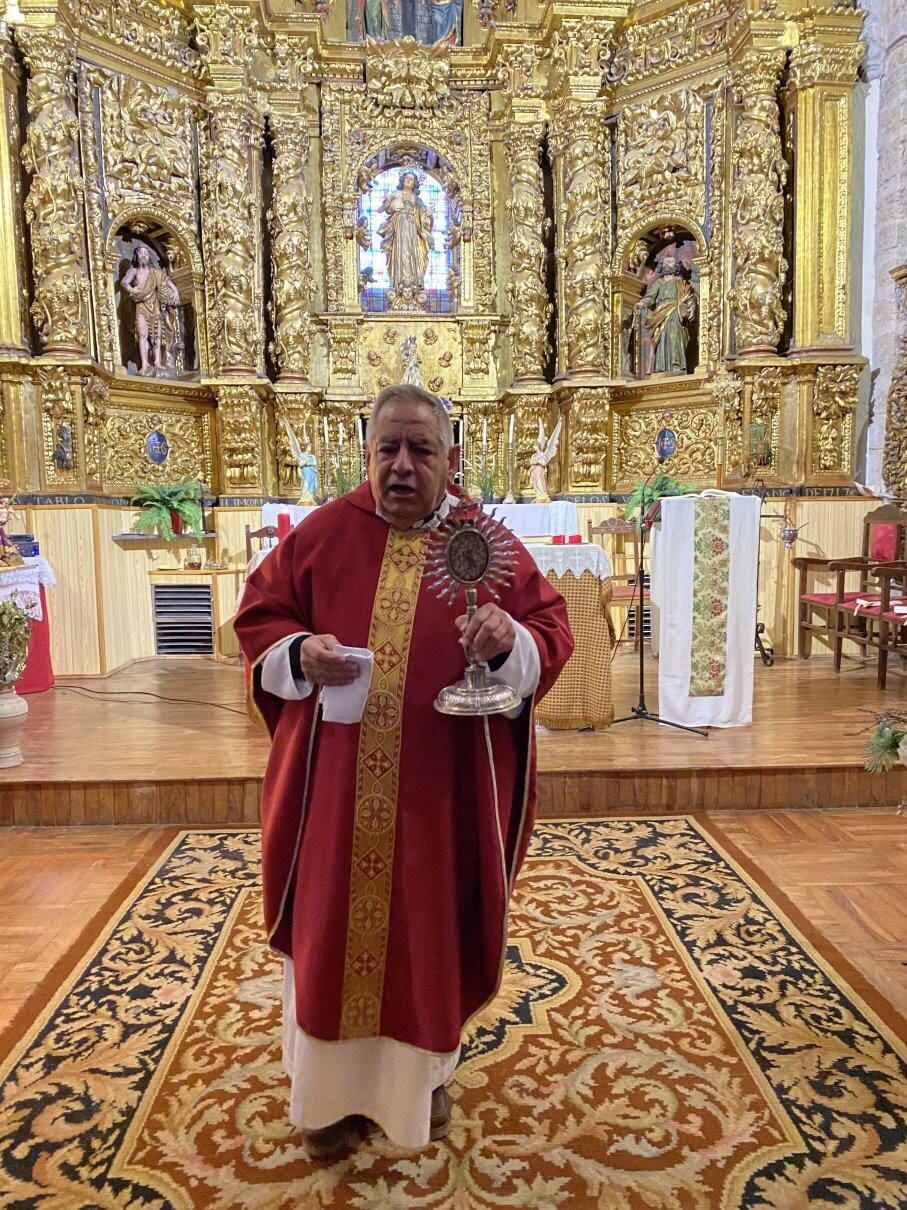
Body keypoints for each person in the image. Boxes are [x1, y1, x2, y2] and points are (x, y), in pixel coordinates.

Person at [234, 384, 573, 1158]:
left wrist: (509, 641)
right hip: (334, 794)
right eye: (387, 447)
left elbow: (550, 628)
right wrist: (298, 652)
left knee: (430, 931)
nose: (401, 465)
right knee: (329, 933)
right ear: (366, 453)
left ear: (451, 459)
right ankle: (324, 1101)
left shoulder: (481, 543)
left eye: (420, 449)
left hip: (438, 794)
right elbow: (259, 617)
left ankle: (422, 1082)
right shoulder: (323, 534)